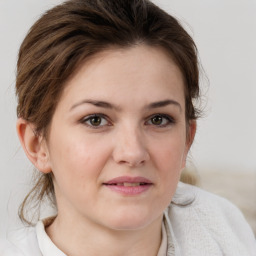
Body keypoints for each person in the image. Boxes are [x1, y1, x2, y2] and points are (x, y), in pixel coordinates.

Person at [1, 0, 255, 255]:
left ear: (187, 139)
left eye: (158, 119)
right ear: (37, 145)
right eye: (96, 120)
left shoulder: (221, 227)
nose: (132, 153)